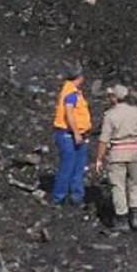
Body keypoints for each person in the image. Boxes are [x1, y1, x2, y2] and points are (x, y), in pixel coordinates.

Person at [94, 85, 137, 230]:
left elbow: (104, 139)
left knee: (117, 186)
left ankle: (122, 219)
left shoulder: (110, 115)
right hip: (134, 152)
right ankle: (135, 216)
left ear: (115, 98)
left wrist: (99, 158)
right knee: (135, 183)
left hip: (117, 153)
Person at [51, 67, 91, 207]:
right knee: (68, 167)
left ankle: (76, 196)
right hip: (69, 134)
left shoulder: (72, 91)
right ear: (79, 78)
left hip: (76, 134)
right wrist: (76, 132)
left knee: (78, 166)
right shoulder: (71, 93)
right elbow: (69, 113)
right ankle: (59, 197)